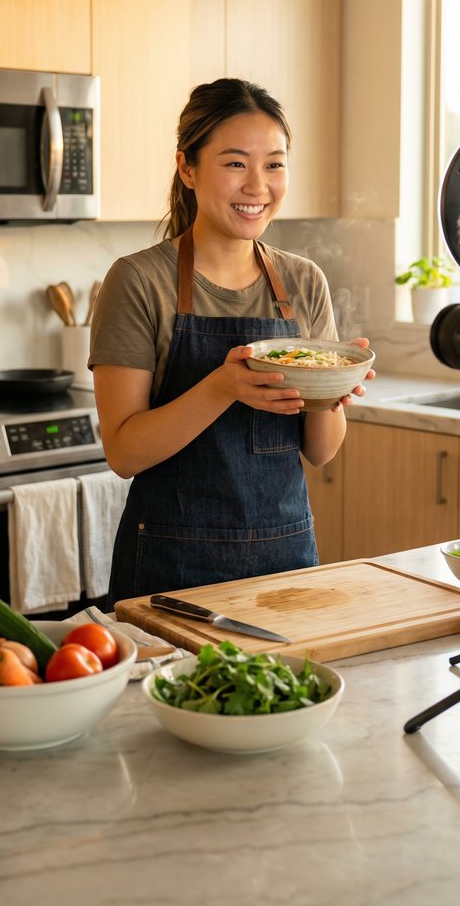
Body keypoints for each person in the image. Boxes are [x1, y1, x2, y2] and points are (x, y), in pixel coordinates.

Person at [90, 77, 374, 607]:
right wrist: (222, 386)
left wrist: (333, 391)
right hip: (171, 566)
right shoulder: (137, 281)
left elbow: (320, 450)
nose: (258, 186)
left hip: (285, 560)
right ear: (188, 168)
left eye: (274, 163)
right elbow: (124, 452)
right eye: (236, 163)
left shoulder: (303, 281)